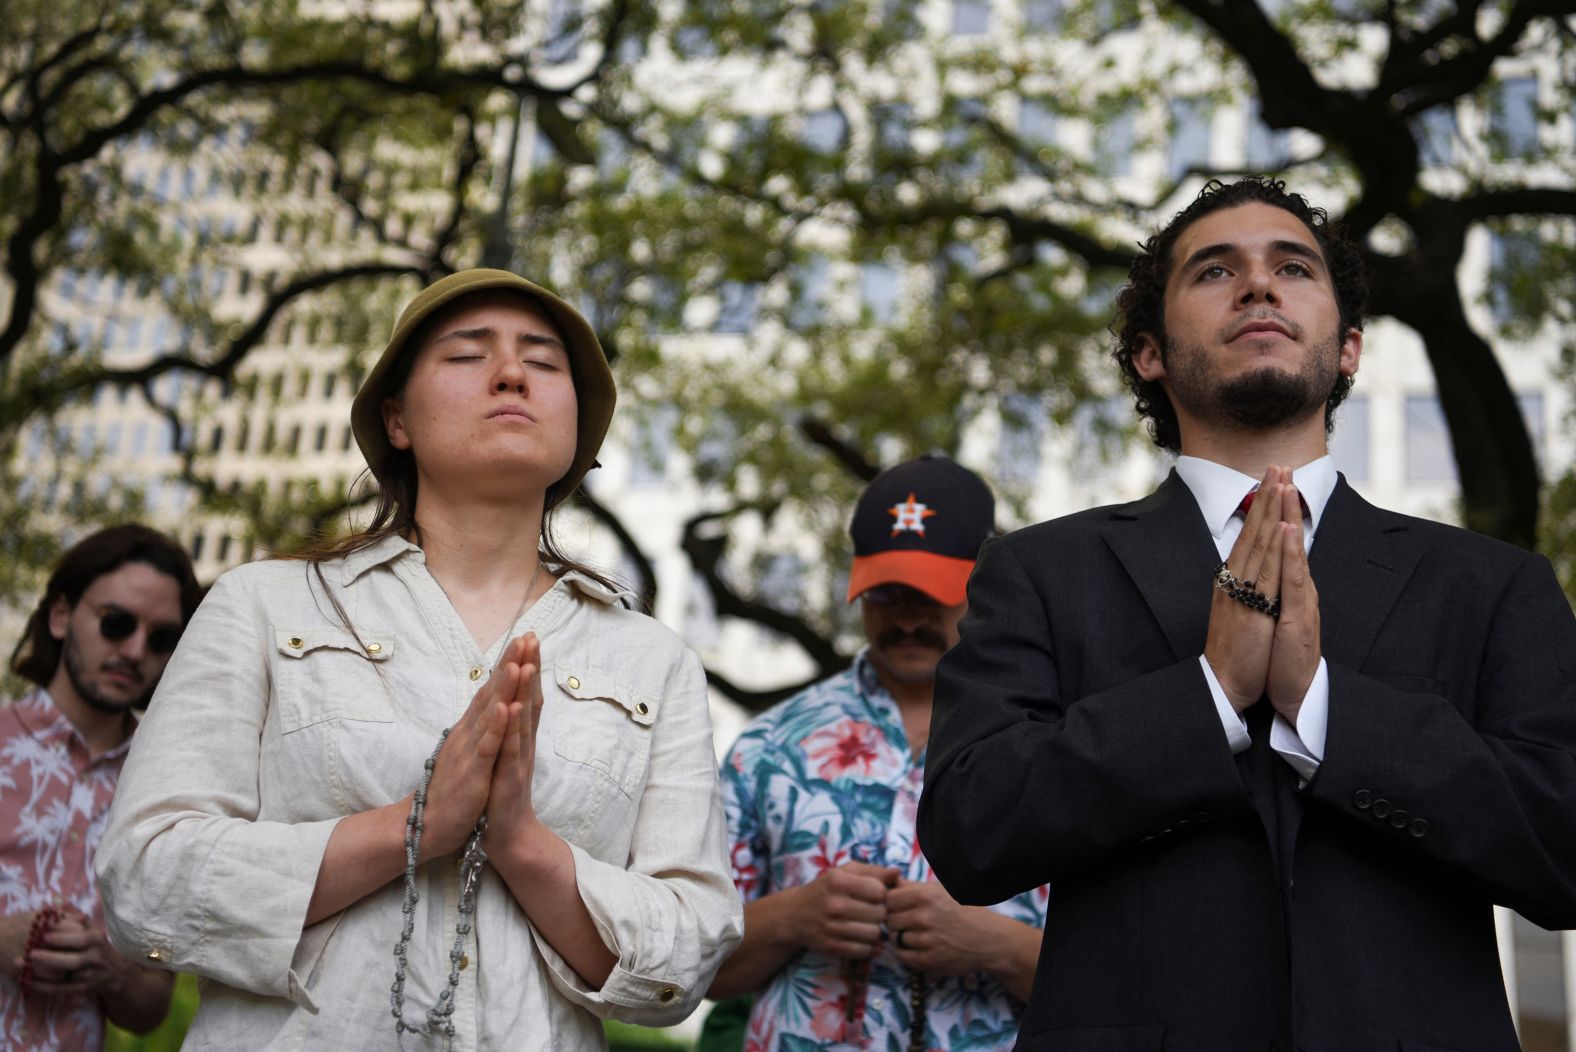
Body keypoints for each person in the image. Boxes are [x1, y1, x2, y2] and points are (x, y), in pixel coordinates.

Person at [917, 178, 1576, 1051]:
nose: (1259, 286)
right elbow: (971, 829)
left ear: (1348, 349)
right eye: (1215, 271)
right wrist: (1209, 695)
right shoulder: (1040, 572)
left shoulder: (1493, 585)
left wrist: (1326, 706)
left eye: (1293, 267)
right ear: (1149, 353)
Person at [96, 269, 743, 1050]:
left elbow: (689, 948)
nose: (511, 373)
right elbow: (144, 878)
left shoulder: (655, 661)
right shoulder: (262, 606)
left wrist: (523, 844)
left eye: (544, 362)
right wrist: (416, 824)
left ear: (579, 428)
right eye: (468, 354)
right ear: (396, 419)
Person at [712, 455, 1046, 1052]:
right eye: (888, 593)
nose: (909, 617)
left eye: (932, 593)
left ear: (985, 581)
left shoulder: (1053, 739)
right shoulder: (768, 748)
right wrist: (796, 917)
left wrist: (996, 943)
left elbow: (1130, 980)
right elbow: (695, 969)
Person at [2, 524, 201, 1050]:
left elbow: (152, 1009)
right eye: (116, 623)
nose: (135, 650)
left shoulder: (170, 790)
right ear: (61, 615)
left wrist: (111, 970)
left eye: (161, 638)